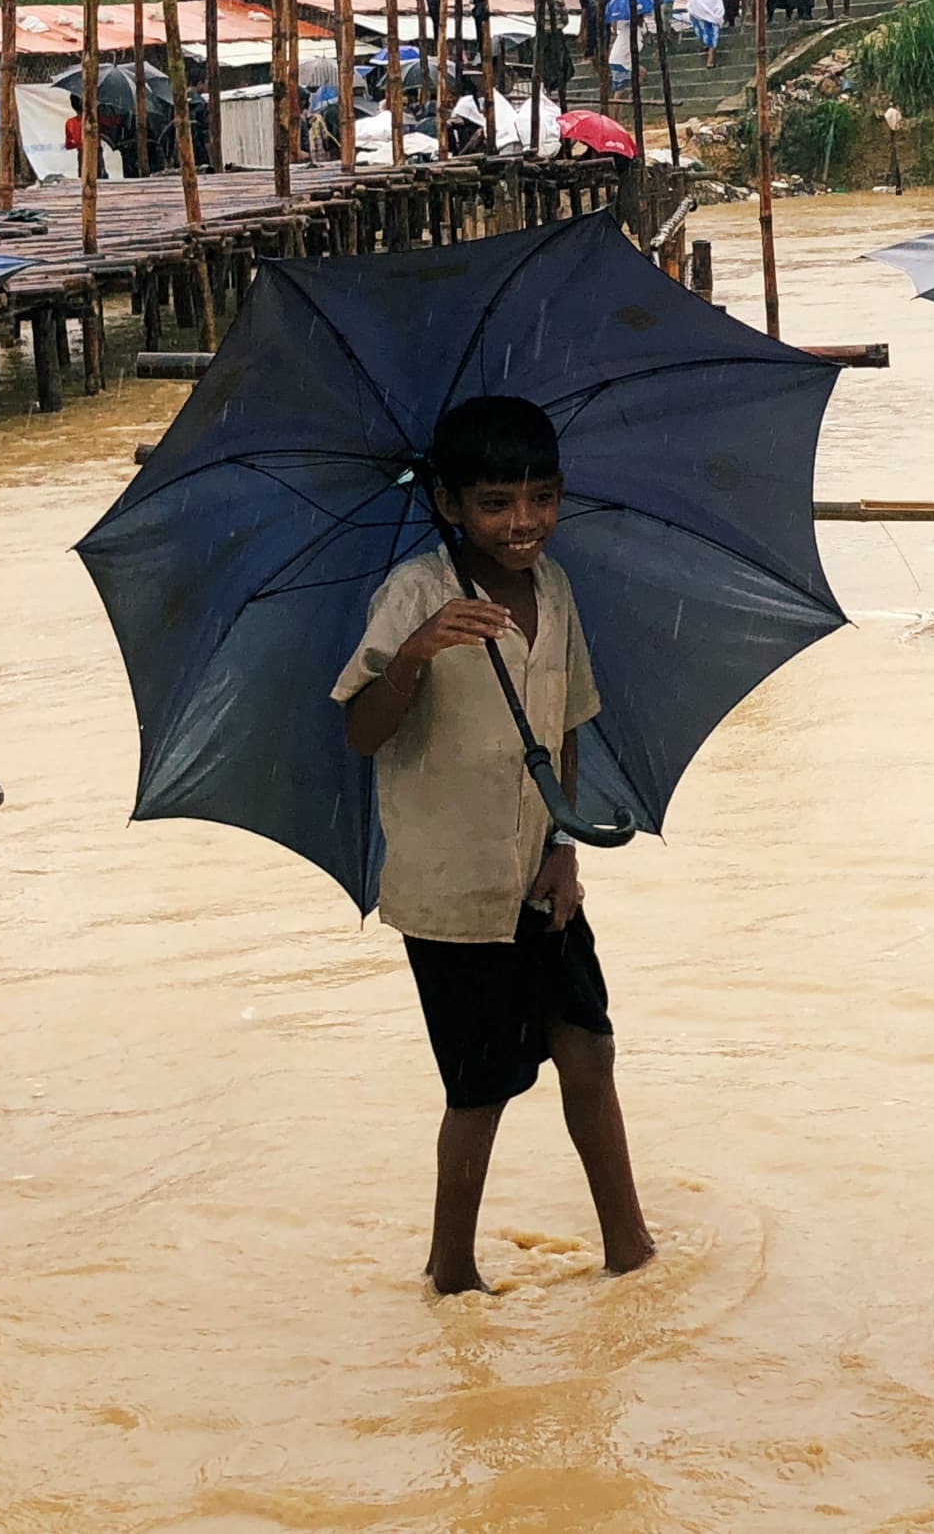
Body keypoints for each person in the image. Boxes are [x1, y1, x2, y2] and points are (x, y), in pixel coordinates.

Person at [336, 395, 654, 1296]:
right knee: (479, 1088)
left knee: (588, 1051)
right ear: (447, 504)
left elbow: (568, 723)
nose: (523, 522)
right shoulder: (411, 594)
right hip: (451, 892)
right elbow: (362, 732)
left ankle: (629, 1247)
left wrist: (564, 843)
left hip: (538, 875)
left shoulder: (553, 588)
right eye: (496, 503)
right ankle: (452, 1268)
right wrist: (414, 654)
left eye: (542, 498)